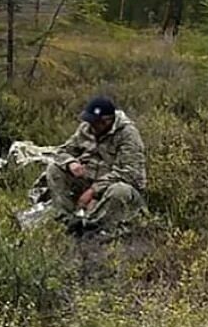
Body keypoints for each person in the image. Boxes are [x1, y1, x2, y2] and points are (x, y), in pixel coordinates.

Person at [46, 96, 146, 232]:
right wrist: (71, 162)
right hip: (87, 180)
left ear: (106, 121)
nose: (90, 126)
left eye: (95, 123)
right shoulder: (86, 129)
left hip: (111, 188)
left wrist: (94, 191)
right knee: (55, 169)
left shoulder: (128, 135)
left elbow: (131, 174)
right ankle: (67, 220)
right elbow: (62, 152)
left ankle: (93, 226)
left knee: (120, 191)